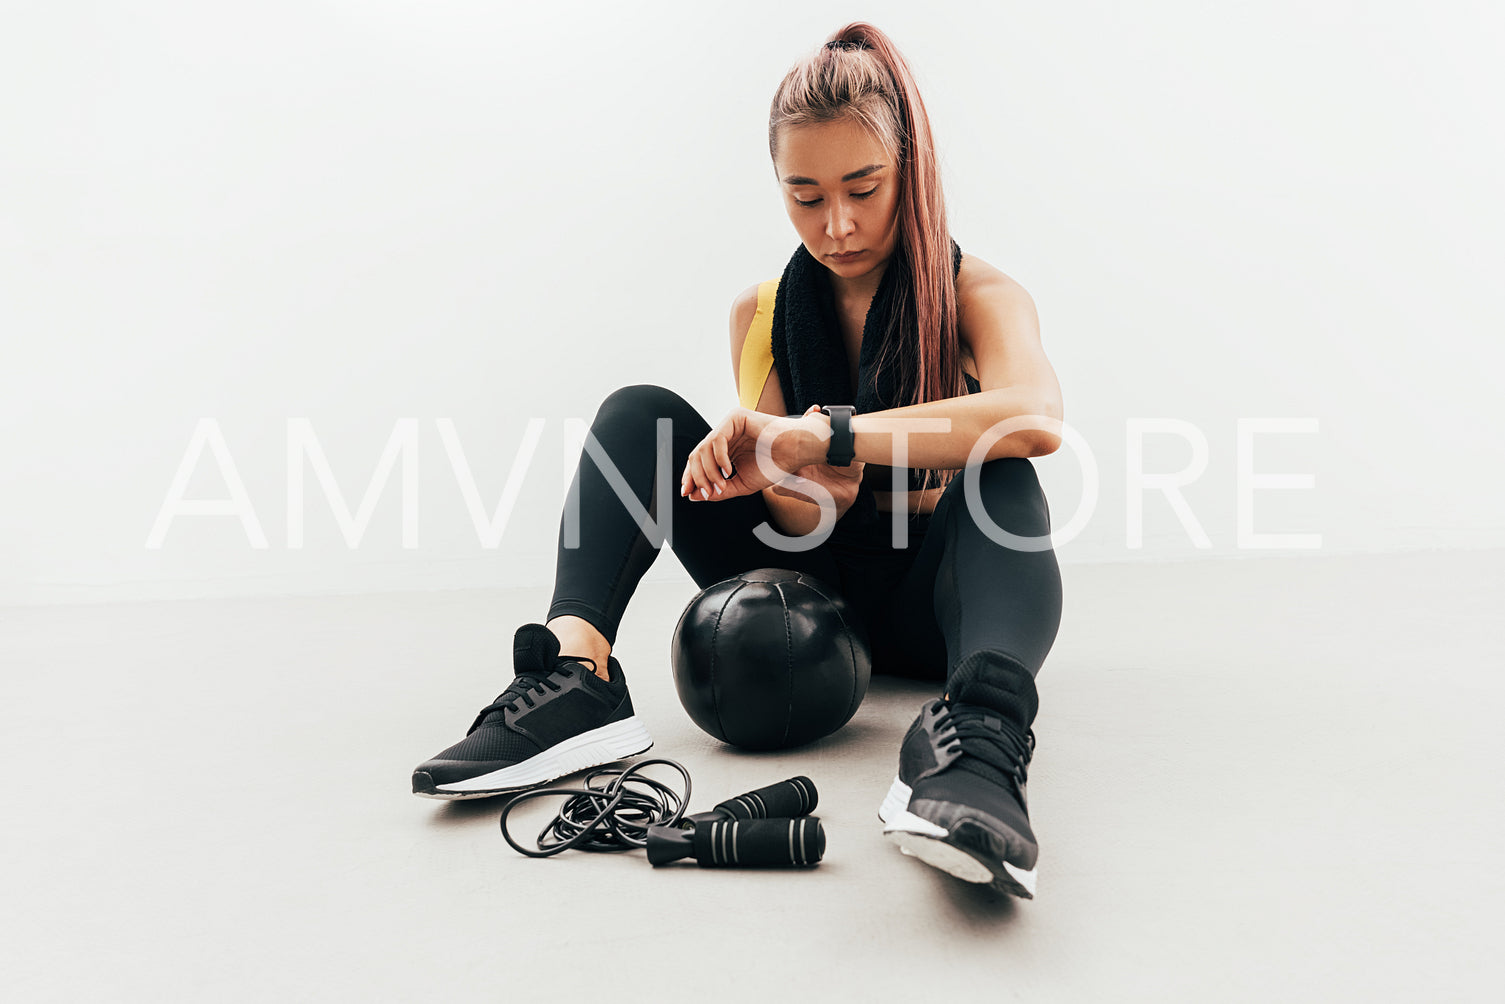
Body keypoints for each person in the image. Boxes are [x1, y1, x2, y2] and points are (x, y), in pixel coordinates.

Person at [412, 22, 1065, 898]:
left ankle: (975, 748)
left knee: (1003, 470)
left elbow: (1034, 416)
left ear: (909, 170)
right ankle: (577, 678)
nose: (835, 224)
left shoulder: (980, 295)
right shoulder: (760, 314)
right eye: (804, 196)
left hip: (934, 614)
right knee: (638, 416)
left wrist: (830, 434)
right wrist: (793, 485)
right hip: (813, 601)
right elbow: (802, 533)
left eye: (862, 188)